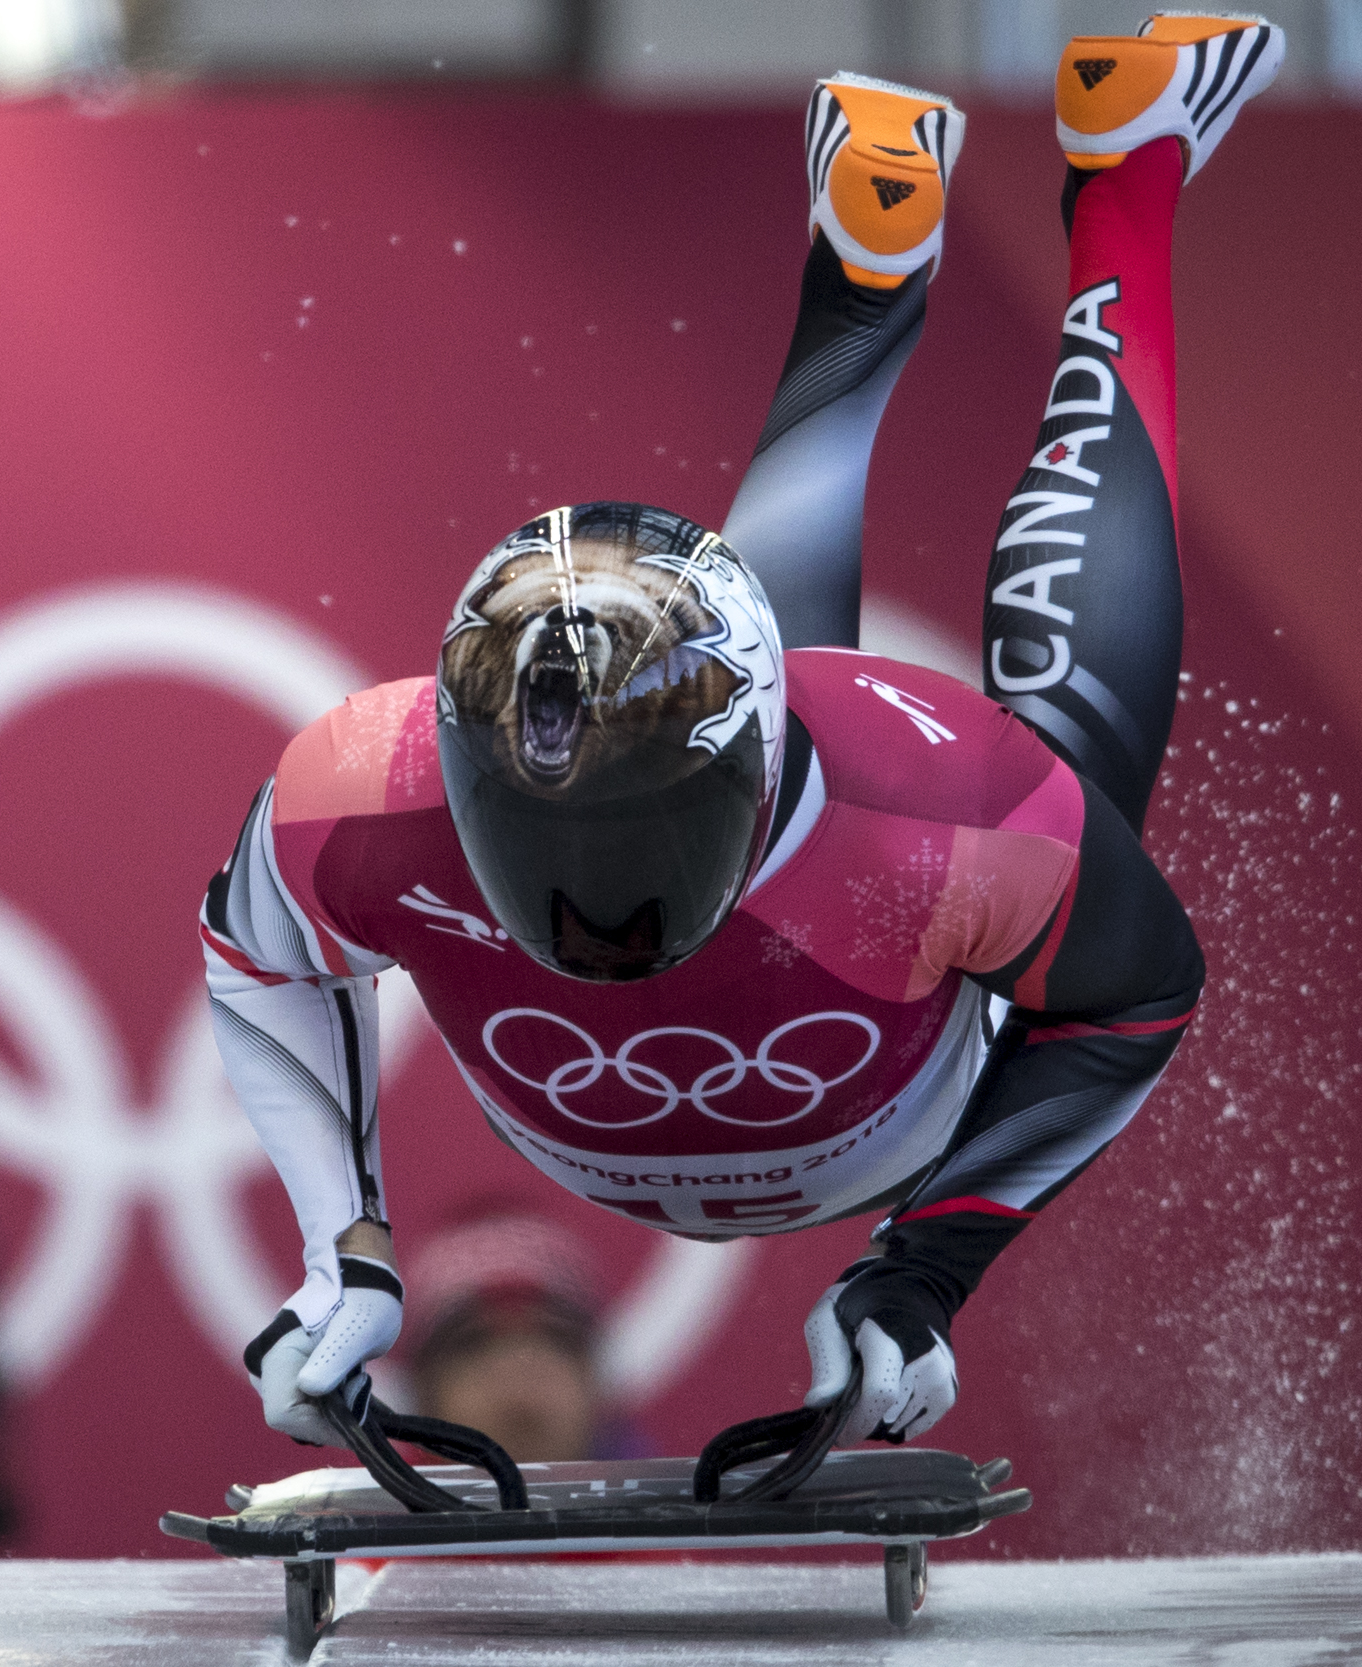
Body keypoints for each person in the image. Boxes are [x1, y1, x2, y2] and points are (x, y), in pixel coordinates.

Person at [203, 16, 1280, 1453]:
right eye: (541, 836)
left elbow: (1137, 993)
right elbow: (261, 956)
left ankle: (1108, 190)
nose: (602, 914)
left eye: (650, 830)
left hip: (868, 1011)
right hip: (848, 1043)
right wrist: (343, 1253)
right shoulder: (355, 795)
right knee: (932, 758)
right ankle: (911, 252)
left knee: (1066, 799)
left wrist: (924, 1267)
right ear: (456, 769)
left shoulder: (948, 816)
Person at [399, 1210, 647, 1464]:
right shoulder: (375, 1491)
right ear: (424, 1391)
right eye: (474, 1345)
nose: (516, 1386)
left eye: (552, 1342)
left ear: (592, 1377)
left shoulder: (671, 1487)